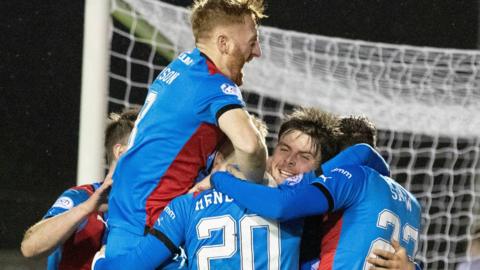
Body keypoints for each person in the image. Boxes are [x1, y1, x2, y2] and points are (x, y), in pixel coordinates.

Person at [105, 0, 268, 258]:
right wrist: (259, 185)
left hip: (130, 215)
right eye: (252, 42)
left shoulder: (184, 64)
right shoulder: (211, 84)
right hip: (151, 225)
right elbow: (250, 146)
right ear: (223, 43)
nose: (257, 51)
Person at [206, 115, 422, 269]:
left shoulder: (353, 179)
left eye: (306, 156)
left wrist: (219, 177)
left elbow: (282, 205)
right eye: (284, 149)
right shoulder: (410, 203)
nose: (290, 161)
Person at [20, 109, 138, 270]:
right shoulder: (81, 197)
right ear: (121, 152)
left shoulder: (155, 208)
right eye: (147, 151)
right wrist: (87, 208)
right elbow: (29, 249)